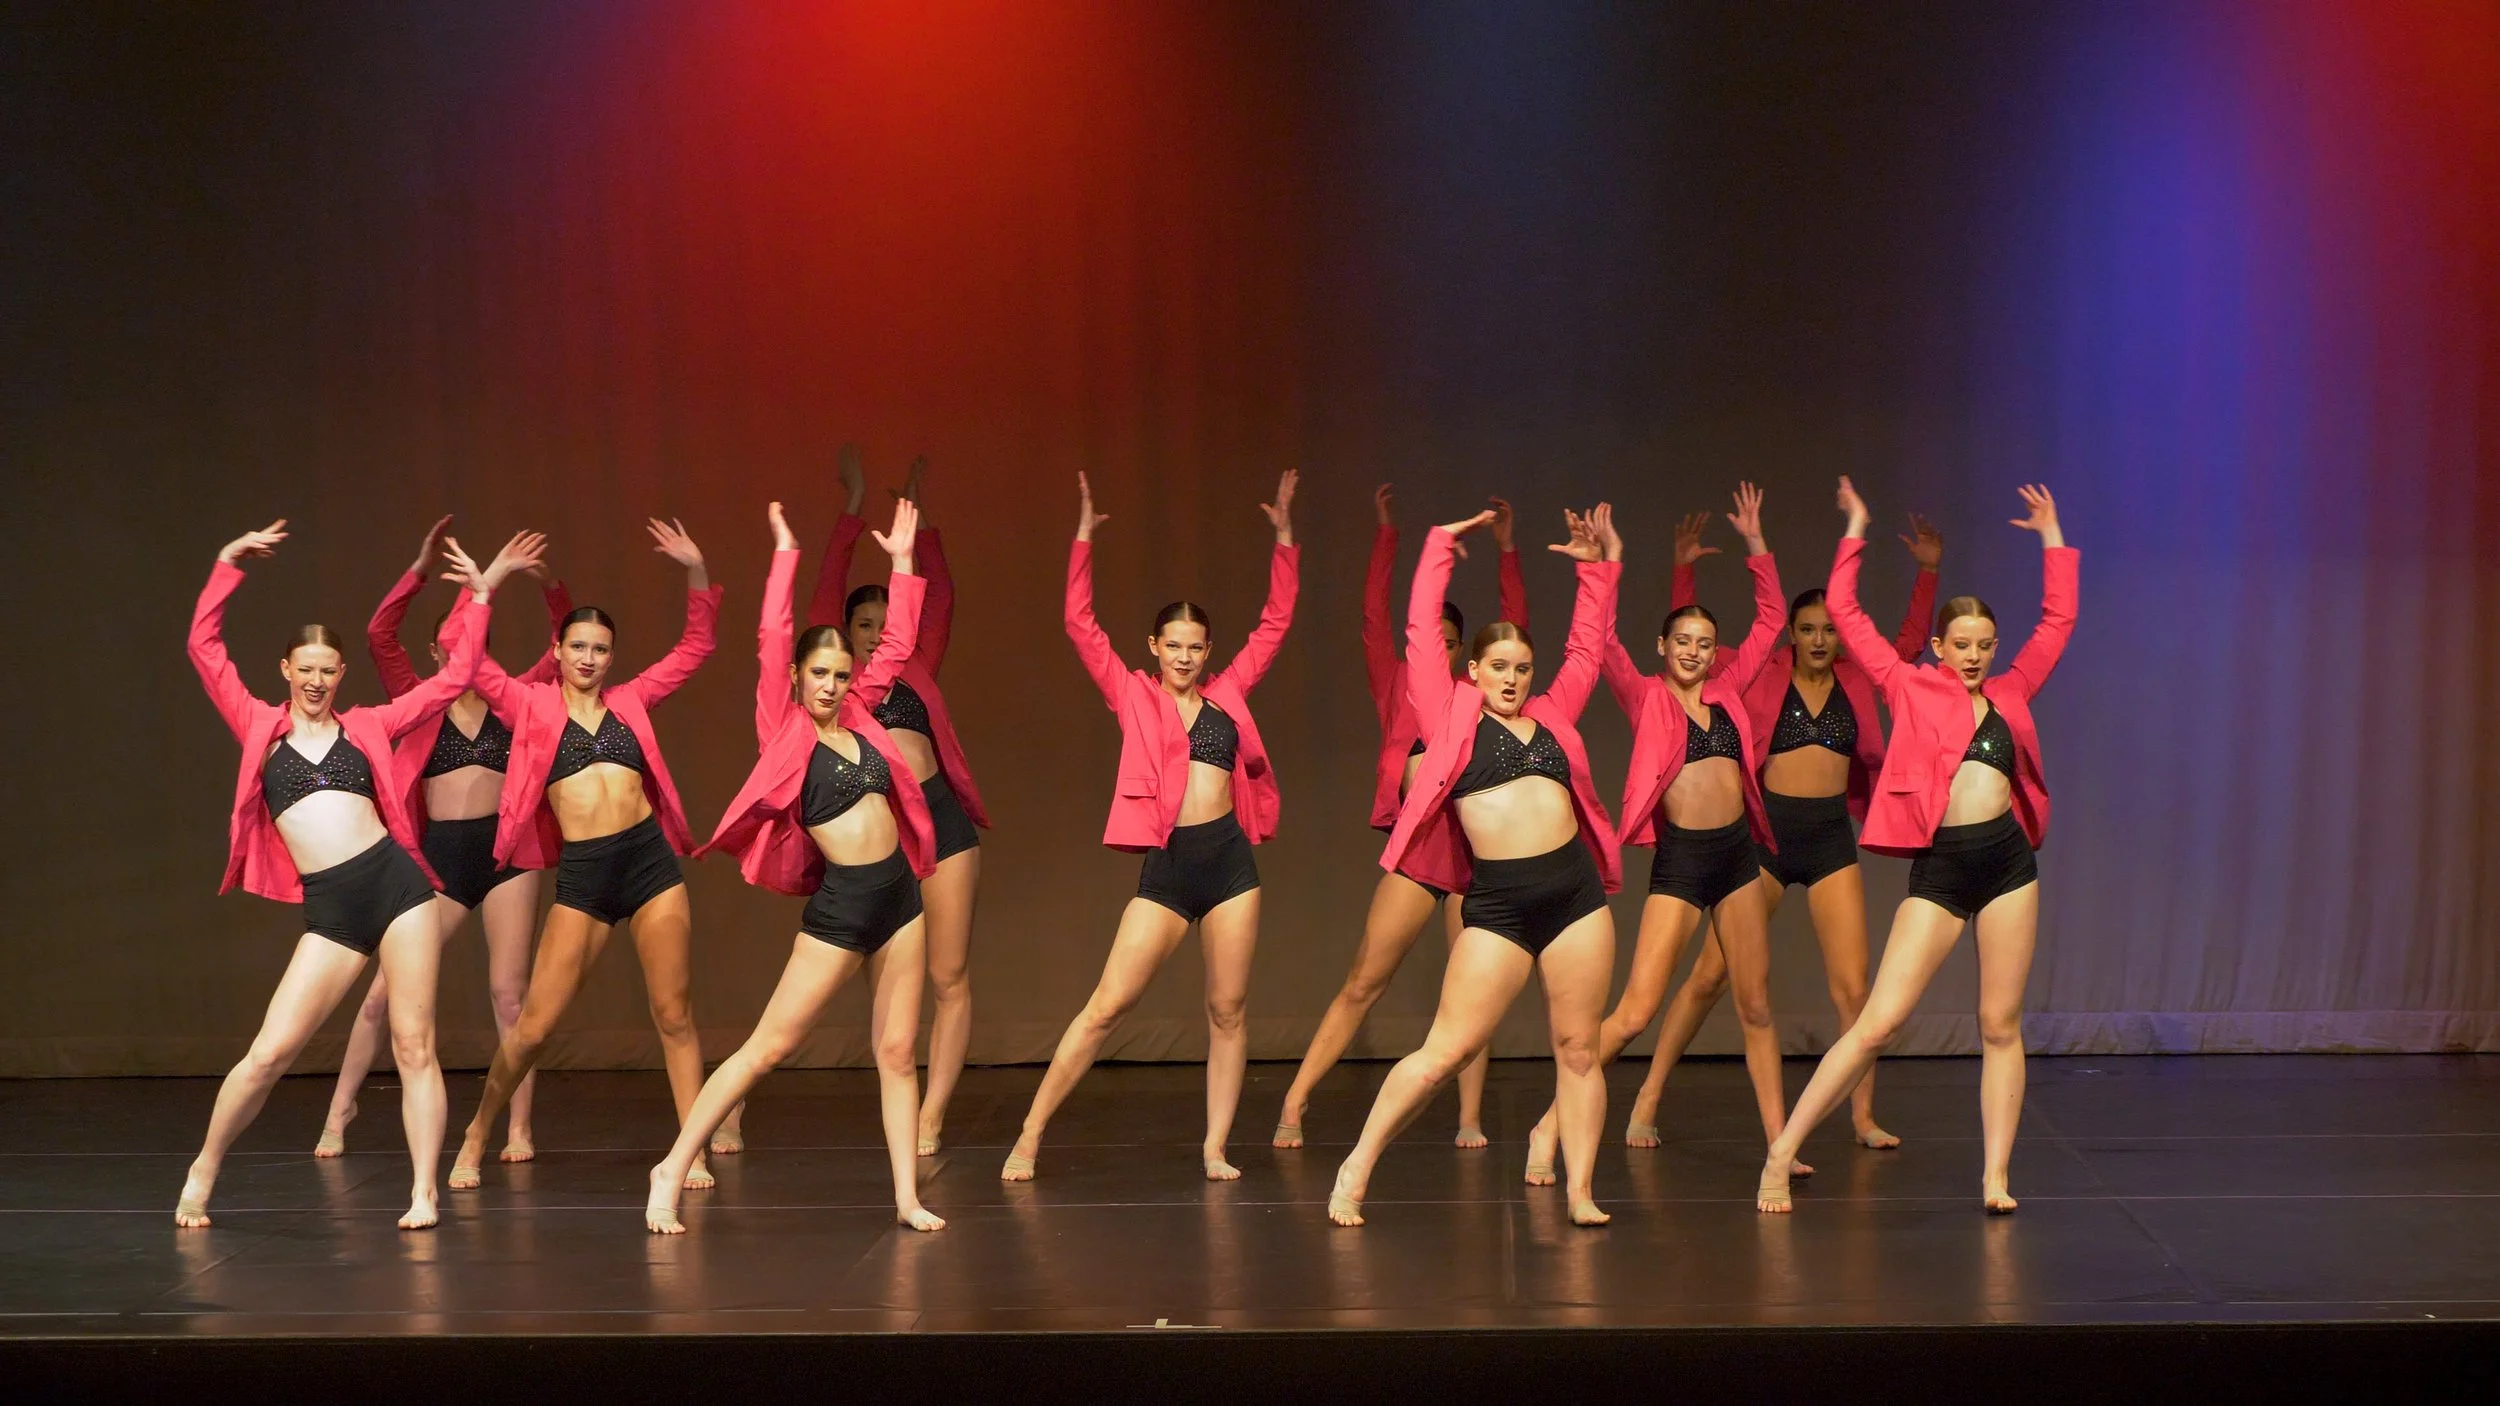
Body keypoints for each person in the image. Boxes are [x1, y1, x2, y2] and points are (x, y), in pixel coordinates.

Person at [179, 521, 540, 1229]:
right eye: (305, 669)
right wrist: (225, 563)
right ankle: (205, 1167)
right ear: (286, 670)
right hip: (334, 908)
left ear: (341, 675)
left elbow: (454, 679)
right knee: (270, 1052)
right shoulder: (258, 727)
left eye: (328, 670)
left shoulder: (369, 725)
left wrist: (480, 596)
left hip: (399, 889)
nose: (317, 681)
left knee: (414, 1044)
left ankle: (424, 1192)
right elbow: (204, 649)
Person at [1757, 479, 2073, 1216]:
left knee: (1999, 1024)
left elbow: (2058, 621)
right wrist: (1857, 527)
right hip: (1943, 869)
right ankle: (1782, 1150)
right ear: (1939, 646)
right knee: (1880, 1021)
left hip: (2008, 864)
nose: (1974, 657)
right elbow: (1847, 614)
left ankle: (1995, 1177)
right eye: (1961, 646)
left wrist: (2052, 537)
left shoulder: (2013, 693)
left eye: (1984, 646)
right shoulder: (1908, 686)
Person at [647, 498, 943, 1233]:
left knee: (898, 1052)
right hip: (843, 906)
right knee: (769, 1047)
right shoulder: (784, 729)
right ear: (796, 675)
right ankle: (672, 1166)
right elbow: (771, 632)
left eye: (840, 673)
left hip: (900, 898)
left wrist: (904, 562)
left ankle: (907, 1198)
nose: (832, 685)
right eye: (819, 673)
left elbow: (898, 643)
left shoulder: (864, 714)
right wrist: (785, 551)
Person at [1328, 505, 1622, 1228]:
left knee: (1579, 1050)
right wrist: (1437, 547)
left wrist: (1597, 571)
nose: (1512, 679)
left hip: (1575, 897)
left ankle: (1581, 1190)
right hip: (1499, 907)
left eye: (1522, 668)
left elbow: (1587, 651)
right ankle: (1357, 1163)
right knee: (1446, 1051)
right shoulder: (1448, 714)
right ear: (1474, 670)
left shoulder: (1552, 715)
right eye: (1499, 667)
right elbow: (1418, 634)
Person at [1002, 470, 1298, 1183]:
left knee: (1228, 1010)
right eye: (1174, 645)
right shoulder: (1132, 694)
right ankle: (1030, 1134)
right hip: (1169, 866)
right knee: (1107, 1006)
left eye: (1196, 646)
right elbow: (1080, 625)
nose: (1185, 657)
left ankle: (1215, 1146)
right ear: (1155, 647)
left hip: (1230, 864)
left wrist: (1285, 538)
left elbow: (1275, 624)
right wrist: (1082, 536)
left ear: (1207, 650)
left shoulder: (1228, 695)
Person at [1619, 512, 1942, 1151]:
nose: (1819, 639)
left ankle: (1862, 1117)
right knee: (1709, 979)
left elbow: (1906, 645)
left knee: (1854, 989)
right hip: (1763, 841)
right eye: (1808, 629)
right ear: (1792, 633)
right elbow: (1691, 653)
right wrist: (1683, 572)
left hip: (1829, 841)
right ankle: (1648, 1096)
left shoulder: (1857, 678)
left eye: (1829, 629)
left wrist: (1928, 573)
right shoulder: (1764, 671)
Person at [447, 517, 731, 1191]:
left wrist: (696, 570)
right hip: (586, 872)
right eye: (577, 645)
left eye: (600, 649)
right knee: (534, 1027)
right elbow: (468, 661)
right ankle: (479, 1130)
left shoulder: (632, 701)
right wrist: (486, 589)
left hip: (648, 862)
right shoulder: (531, 704)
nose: (588, 657)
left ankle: (688, 1148)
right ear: (558, 649)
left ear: (611, 656)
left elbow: (696, 646)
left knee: (674, 1014)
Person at [1518, 486, 1792, 1185]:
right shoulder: (1644, 696)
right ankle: (1548, 1124)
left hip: (1737, 856)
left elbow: (1771, 621)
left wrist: (1756, 543)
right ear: (1663, 647)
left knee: (1756, 1006)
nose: (1695, 652)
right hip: (1682, 861)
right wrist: (1603, 563)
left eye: (1704, 644)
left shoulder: (1728, 691)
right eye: (1683, 643)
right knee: (1637, 1010)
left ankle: (1780, 1147)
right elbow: (1600, 643)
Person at [1272, 482, 1527, 1151]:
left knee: (1470, 995)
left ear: (1463, 651)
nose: (1439, 648)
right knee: (1364, 981)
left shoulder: (1473, 697)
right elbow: (1373, 618)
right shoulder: (1394, 681)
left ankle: (1469, 1117)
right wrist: (1387, 534)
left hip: (1474, 860)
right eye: (1431, 638)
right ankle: (1295, 1099)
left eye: (1452, 641)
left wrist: (1507, 552)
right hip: (1420, 853)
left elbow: (1514, 631)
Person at [314, 515, 573, 1163]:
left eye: (470, 644)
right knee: (381, 995)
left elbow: (563, 647)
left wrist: (550, 586)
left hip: (506, 855)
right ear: (437, 653)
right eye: (450, 646)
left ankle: (518, 1127)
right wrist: (420, 569)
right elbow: (379, 636)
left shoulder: (516, 696)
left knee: (510, 996)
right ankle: (339, 1111)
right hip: (440, 861)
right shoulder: (418, 696)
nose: (461, 654)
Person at [806, 448, 988, 1157]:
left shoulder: (917, 665)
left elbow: (940, 597)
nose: (877, 633)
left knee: (949, 975)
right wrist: (852, 505)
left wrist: (920, 516)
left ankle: (932, 1114)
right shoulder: (840, 689)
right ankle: (898, 1092)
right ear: (844, 634)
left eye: (886, 622)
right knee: (884, 984)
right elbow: (825, 591)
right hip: (882, 835)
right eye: (863, 625)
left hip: (940, 818)